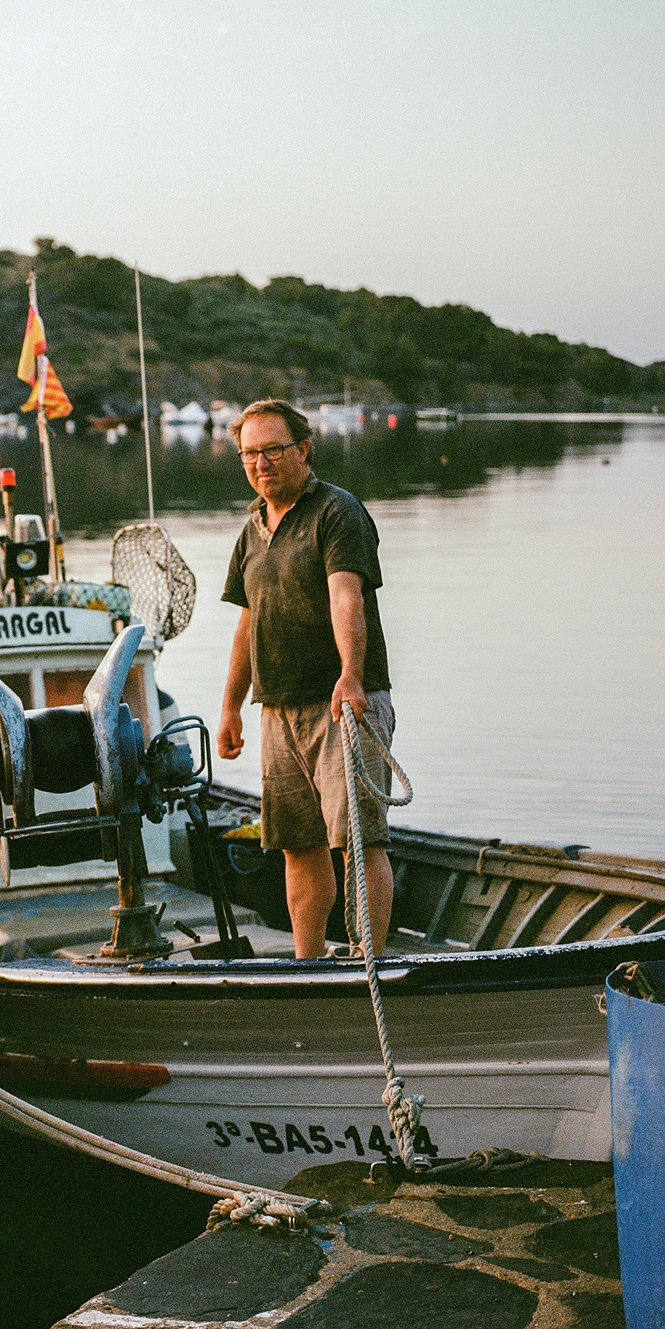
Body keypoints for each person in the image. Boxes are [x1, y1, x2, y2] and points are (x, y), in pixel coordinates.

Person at [216, 399, 394, 960]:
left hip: (342, 703)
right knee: (298, 846)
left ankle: (370, 965)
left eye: (273, 450)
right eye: (250, 453)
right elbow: (249, 622)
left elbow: (348, 596)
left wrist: (351, 676)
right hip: (277, 709)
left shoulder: (337, 512)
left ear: (303, 450)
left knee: (359, 843)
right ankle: (308, 963)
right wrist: (230, 707)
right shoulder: (251, 529)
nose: (261, 463)